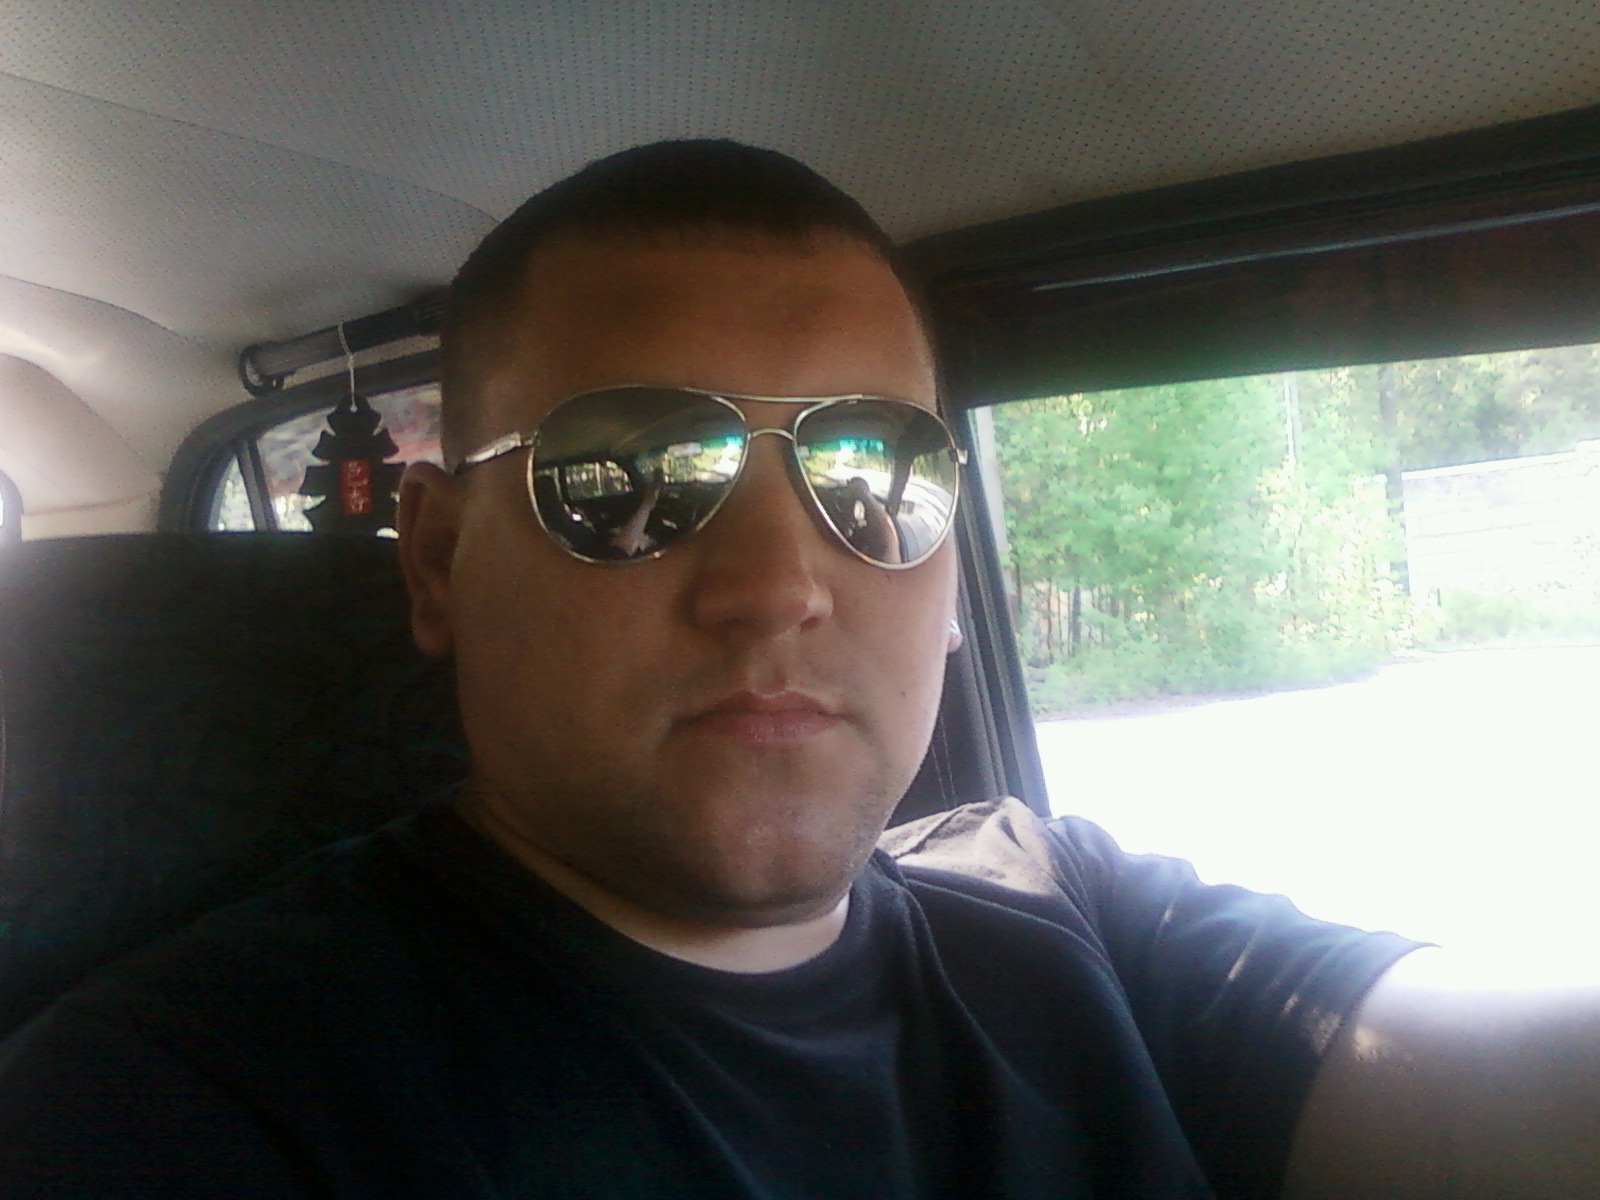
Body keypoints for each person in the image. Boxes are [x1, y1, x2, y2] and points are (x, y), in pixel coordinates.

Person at [0, 140, 1593, 1199]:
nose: (778, 586)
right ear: (437, 558)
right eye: (631, 473)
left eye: (875, 476)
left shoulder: (1075, 925)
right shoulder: (174, 1108)